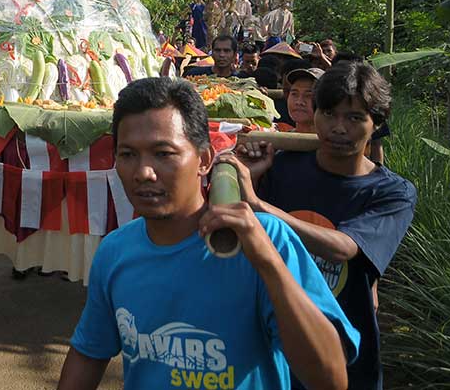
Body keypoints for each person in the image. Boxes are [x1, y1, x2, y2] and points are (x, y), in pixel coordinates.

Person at [56, 78, 358, 390]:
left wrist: (268, 263)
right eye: (128, 154)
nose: (144, 172)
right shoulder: (116, 251)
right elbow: (89, 353)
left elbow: (330, 379)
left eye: (164, 153)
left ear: (203, 160)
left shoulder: (265, 239)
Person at [234, 62, 415, 389]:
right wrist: (253, 176)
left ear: (377, 124)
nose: (339, 128)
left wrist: (260, 205)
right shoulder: (283, 167)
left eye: (355, 117)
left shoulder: (391, 193)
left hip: (343, 351)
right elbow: (242, 234)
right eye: (329, 114)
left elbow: (343, 247)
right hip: (272, 343)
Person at [279, 67, 324, 134]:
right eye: (294, 94)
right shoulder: (278, 141)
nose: (299, 102)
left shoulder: (335, 143)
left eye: (308, 96)